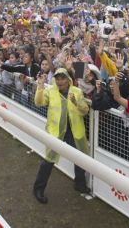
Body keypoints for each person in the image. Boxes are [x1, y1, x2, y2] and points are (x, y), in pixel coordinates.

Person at [33, 68, 90, 204]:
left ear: (68, 79)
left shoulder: (76, 91)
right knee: (48, 160)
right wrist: (40, 86)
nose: (60, 81)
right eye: (57, 78)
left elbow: (85, 111)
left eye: (63, 78)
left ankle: (80, 184)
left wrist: (77, 103)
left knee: (79, 157)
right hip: (56, 132)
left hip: (73, 131)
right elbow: (39, 102)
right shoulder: (50, 91)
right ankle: (38, 190)